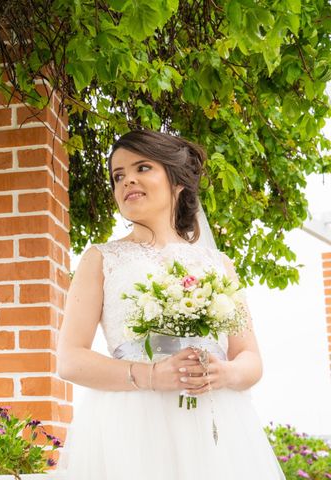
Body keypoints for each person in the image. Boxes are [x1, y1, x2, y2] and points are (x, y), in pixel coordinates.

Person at [55, 129, 286, 479]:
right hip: (131, 424)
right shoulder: (101, 259)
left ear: (177, 180)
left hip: (215, 420)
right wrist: (151, 375)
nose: (127, 179)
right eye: (118, 176)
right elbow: (70, 359)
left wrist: (226, 373)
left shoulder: (217, 264)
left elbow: (250, 359)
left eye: (142, 167)